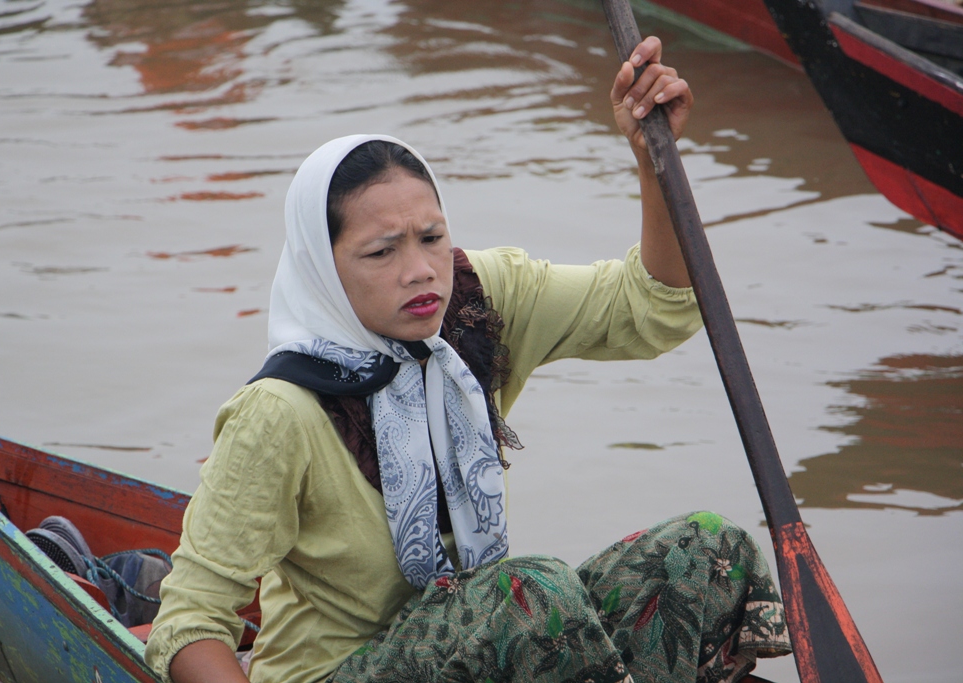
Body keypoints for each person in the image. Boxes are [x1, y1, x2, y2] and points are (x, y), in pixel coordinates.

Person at [145, 37, 792, 683]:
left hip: (486, 642)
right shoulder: (280, 410)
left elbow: (653, 306)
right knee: (530, 595)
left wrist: (653, 156)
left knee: (705, 550)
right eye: (381, 252)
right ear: (323, 269)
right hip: (339, 671)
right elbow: (190, 624)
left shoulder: (478, 306)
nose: (419, 270)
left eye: (431, 237)